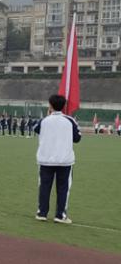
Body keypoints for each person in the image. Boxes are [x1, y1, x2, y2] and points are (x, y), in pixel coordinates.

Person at [34, 94, 82, 223]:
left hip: (46, 159)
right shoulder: (70, 121)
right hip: (64, 160)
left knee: (44, 187)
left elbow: (36, 129)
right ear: (64, 106)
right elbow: (77, 138)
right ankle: (60, 215)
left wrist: (48, 116)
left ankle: (42, 213)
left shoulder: (44, 120)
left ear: (50, 105)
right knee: (63, 188)